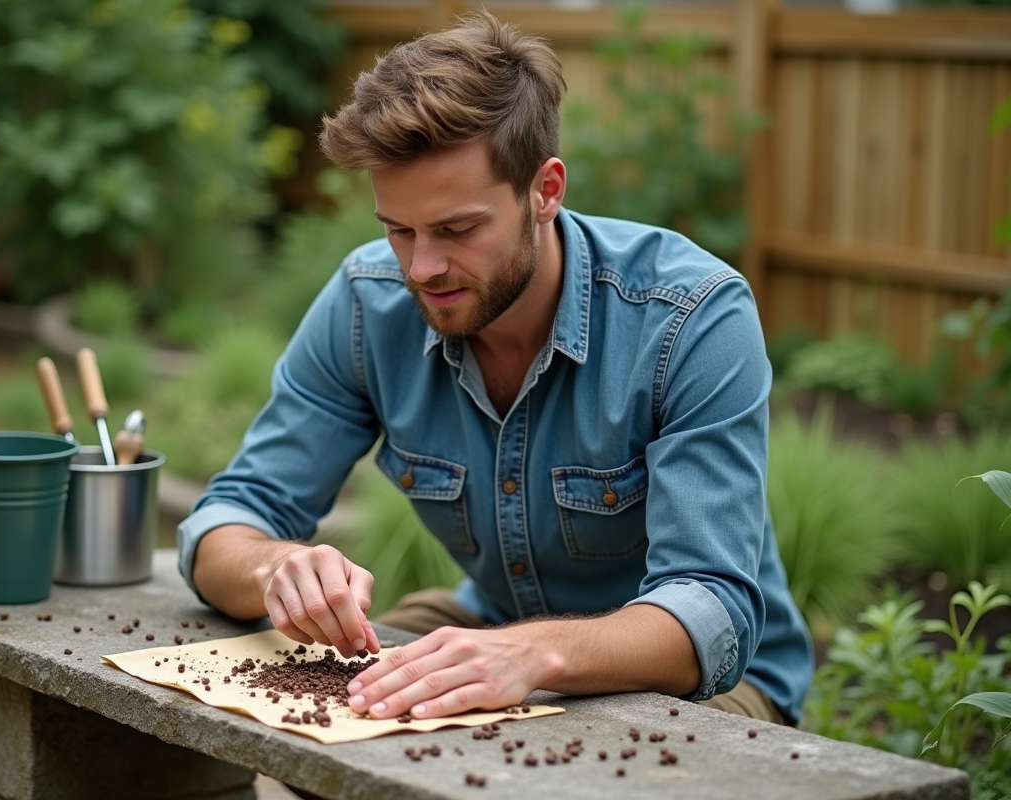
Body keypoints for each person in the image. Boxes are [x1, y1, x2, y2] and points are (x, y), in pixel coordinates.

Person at [178, 10, 813, 727]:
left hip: (705, 686)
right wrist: (275, 570)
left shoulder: (691, 317)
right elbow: (223, 524)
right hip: (494, 626)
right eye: (399, 230)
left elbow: (711, 612)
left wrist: (531, 656)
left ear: (545, 191)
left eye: (457, 230)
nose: (421, 268)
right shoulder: (366, 304)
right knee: (319, 725)